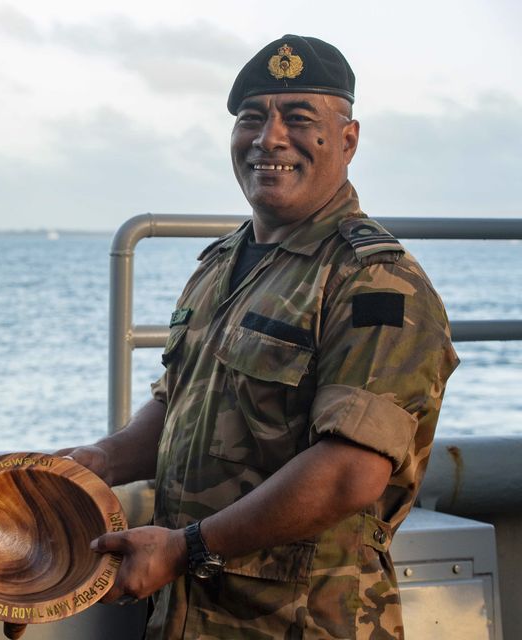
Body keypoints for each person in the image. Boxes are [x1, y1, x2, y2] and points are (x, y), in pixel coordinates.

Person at [63, 36, 459, 638]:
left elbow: (351, 470)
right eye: (252, 117)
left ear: (348, 141)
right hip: (189, 617)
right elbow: (180, 403)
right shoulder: (222, 263)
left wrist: (184, 548)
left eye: (299, 118)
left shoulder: (375, 281)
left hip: (304, 621)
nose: (269, 138)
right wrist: (100, 461)